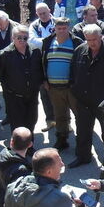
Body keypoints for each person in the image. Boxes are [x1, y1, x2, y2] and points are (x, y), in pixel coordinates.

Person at [69, 24, 104, 171]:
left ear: (101, 36)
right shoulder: (80, 51)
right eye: (88, 40)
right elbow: (72, 74)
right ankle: (83, 157)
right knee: (82, 131)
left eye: (94, 39)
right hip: (83, 101)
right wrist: (75, 90)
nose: (92, 43)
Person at [0, 25, 42, 132]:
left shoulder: (35, 51)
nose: (22, 40)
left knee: (31, 121)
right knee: (17, 125)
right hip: (14, 97)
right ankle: (19, 148)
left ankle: (29, 146)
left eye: (25, 38)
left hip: (32, 96)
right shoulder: (5, 54)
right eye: (19, 37)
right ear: (13, 38)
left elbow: (40, 70)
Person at [43, 17, 79, 151]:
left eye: (65, 28)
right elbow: (42, 62)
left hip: (71, 87)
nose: (62, 31)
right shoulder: (48, 42)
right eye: (59, 28)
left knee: (79, 115)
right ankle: (62, 140)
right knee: (60, 115)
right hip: (53, 87)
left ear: (69, 28)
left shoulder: (76, 42)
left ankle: (82, 141)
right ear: (55, 28)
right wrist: (44, 80)